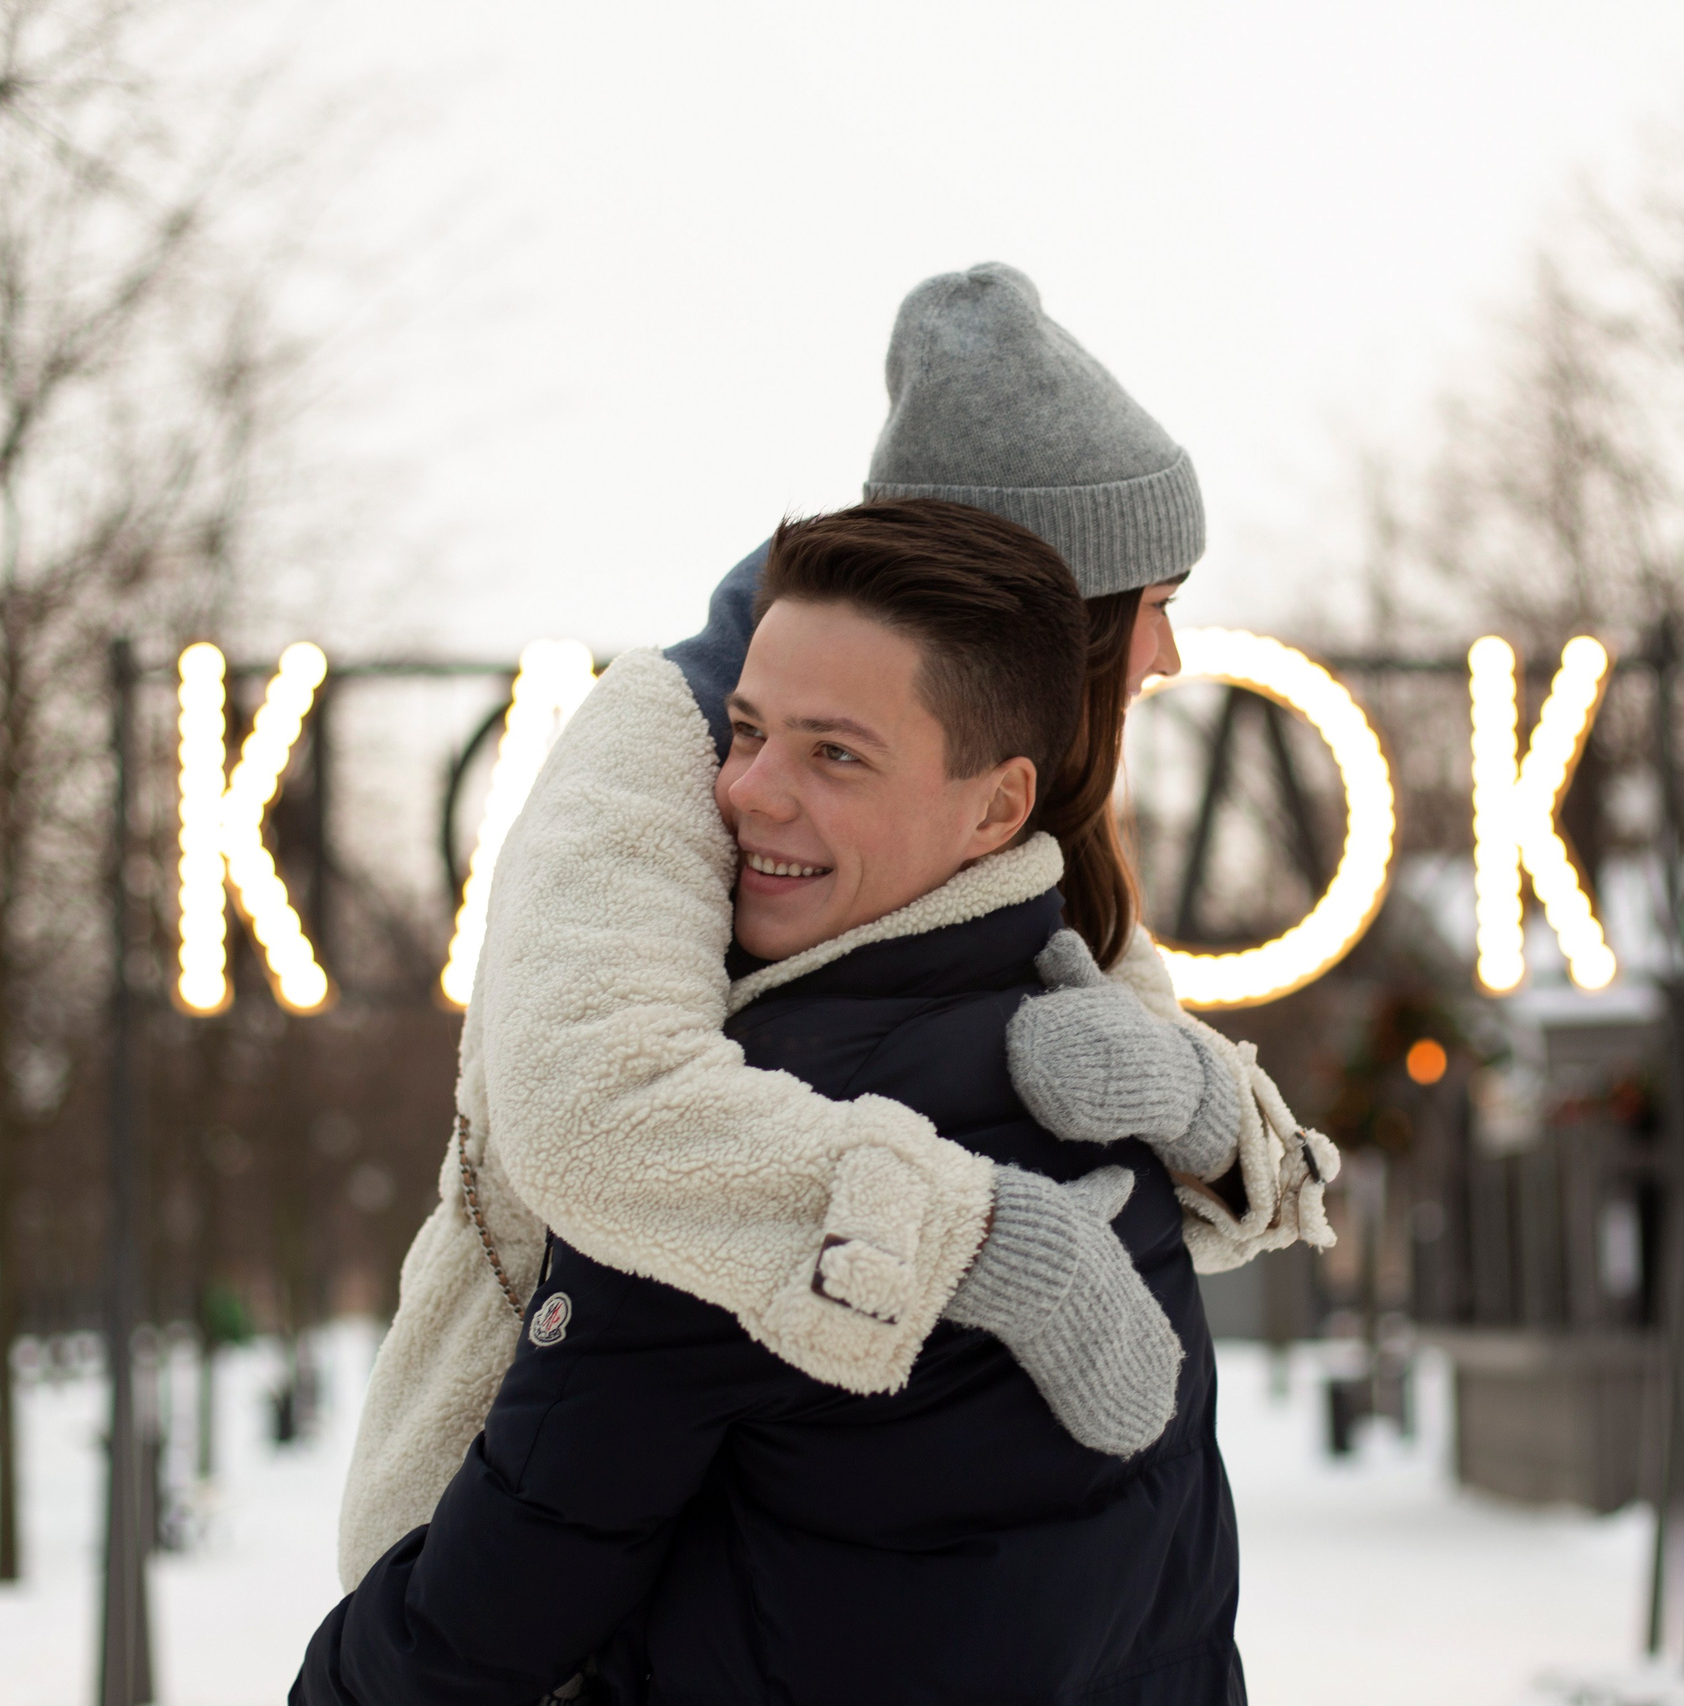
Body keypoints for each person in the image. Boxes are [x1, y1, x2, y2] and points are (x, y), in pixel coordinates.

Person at [337, 264, 1336, 1591]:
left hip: (810, 1541)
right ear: (1056, 603)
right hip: (523, 1550)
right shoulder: (671, 735)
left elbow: (1113, 1060)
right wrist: (987, 1238)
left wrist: (1202, 1100)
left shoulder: (1009, 789)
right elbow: (597, 1106)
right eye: (1153, 600)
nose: (1166, 653)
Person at [300, 501, 1247, 1704]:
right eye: (743, 730)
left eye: (835, 753)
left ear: (1000, 806)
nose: (748, 792)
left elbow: (478, 1625)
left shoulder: (735, 1147)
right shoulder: (1107, 1064)